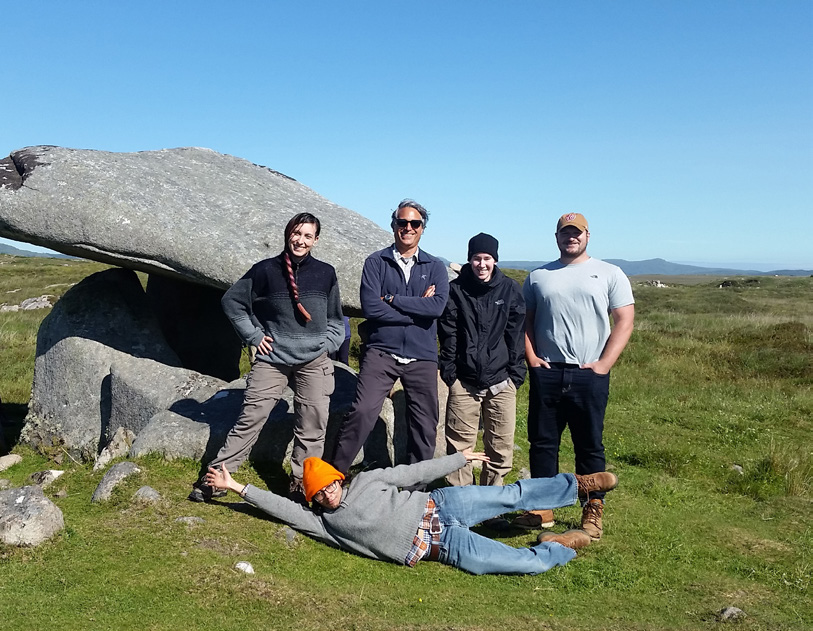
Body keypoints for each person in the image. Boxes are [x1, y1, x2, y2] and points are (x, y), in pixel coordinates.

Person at [204, 451, 619, 575]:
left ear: (338, 479)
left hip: (442, 504)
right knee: (517, 564)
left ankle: (577, 486)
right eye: (320, 493)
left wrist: (458, 458)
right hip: (441, 544)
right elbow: (283, 510)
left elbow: (413, 472)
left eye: (330, 484)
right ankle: (560, 545)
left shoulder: (367, 481)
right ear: (313, 499)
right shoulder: (325, 524)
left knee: (511, 495)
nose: (328, 494)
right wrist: (238, 487)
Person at [189, 212, 345, 502]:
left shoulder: (326, 273)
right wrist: (254, 336)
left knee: (312, 426)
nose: (300, 240)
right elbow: (233, 301)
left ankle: (302, 486)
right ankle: (217, 479)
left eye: (307, 236)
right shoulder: (265, 270)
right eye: (296, 233)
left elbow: (336, 317)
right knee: (251, 418)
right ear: (288, 234)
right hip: (272, 358)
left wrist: (329, 343)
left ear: (316, 240)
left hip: (314, 360)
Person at [518, 212, 634, 539]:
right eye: (565, 232)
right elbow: (526, 322)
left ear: (587, 235)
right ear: (556, 237)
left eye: (577, 232)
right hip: (547, 371)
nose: (571, 237)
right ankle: (542, 508)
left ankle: (592, 509)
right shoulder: (538, 276)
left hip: (589, 373)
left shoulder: (609, 273)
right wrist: (531, 358)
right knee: (543, 443)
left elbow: (625, 319)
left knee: (589, 444)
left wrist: (604, 364)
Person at [330, 199, 449, 473]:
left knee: (425, 423)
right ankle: (334, 476)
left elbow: (437, 308)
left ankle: (416, 486)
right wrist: (418, 309)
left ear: (422, 228)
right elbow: (372, 308)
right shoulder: (376, 262)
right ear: (394, 225)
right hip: (381, 351)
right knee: (362, 411)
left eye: (415, 223)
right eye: (402, 222)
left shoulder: (435, 266)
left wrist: (393, 299)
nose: (408, 228)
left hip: (422, 355)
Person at [438, 233, 526, 497]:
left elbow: (516, 335)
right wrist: (450, 374)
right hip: (464, 382)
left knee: (500, 447)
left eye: (487, 258)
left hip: (502, 381)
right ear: (470, 259)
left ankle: (492, 503)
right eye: (477, 258)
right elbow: (449, 334)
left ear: (495, 260)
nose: (482, 264)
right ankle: (461, 501)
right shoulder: (456, 290)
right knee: (460, 447)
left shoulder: (509, 289)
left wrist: (515, 375)